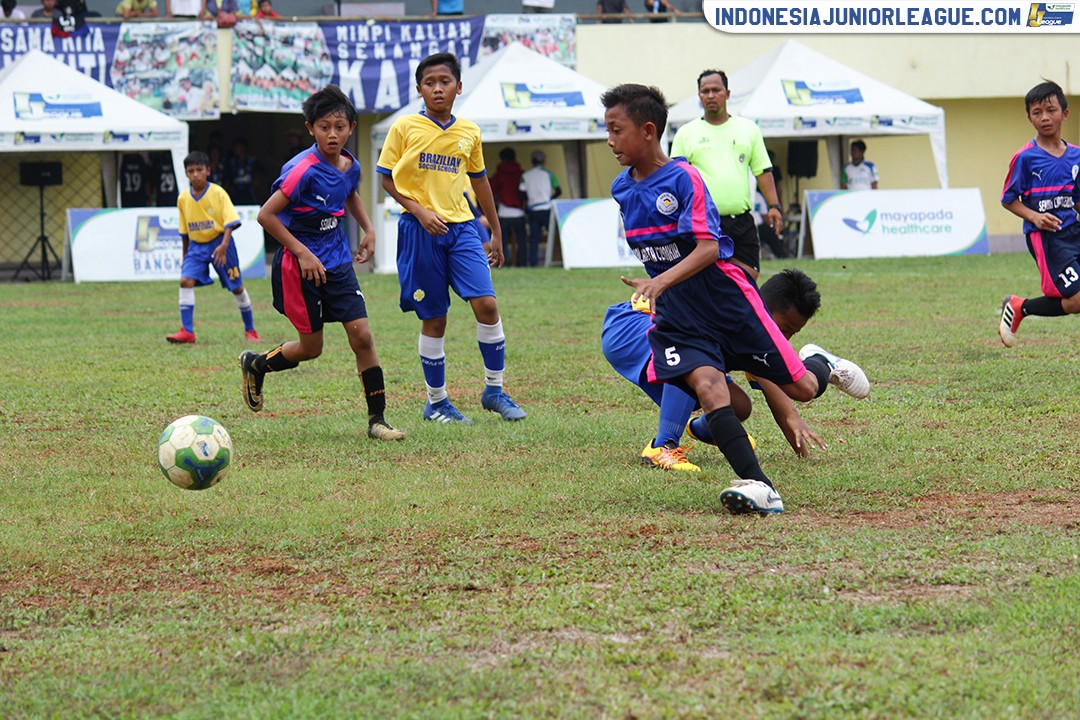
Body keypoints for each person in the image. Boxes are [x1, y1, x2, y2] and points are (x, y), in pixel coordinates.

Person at [600, 83, 866, 514]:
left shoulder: (684, 178)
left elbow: (708, 248)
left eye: (617, 129)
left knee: (800, 387)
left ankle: (822, 362)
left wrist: (660, 281)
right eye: (607, 130)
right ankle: (761, 488)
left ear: (648, 131)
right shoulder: (622, 188)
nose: (610, 140)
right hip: (678, 314)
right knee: (709, 389)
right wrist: (662, 286)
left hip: (726, 302)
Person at [243, 85, 405, 442]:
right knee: (311, 349)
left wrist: (368, 228)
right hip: (299, 267)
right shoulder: (301, 170)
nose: (332, 134)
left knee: (362, 336)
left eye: (340, 127)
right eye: (324, 127)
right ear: (310, 129)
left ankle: (377, 421)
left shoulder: (350, 164)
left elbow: (349, 193)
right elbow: (266, 216)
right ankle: (256, 363)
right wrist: (302, 252)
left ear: (351, 127)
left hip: (338, 262)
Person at [377, 52, 526, 424]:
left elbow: (480, 181)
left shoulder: (469, 132)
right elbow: (386, 178)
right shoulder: (404, 127)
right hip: (419, 230)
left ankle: (494, 390)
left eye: (445, 82)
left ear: (459, 87)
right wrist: (420, 211)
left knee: (487, 306)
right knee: (435, 317)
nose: (438, 88)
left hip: (462, 229)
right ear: (419, 90)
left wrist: (494, 228)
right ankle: (437, 402)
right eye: (430, 83)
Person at [603, 268, 868, 473]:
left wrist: (800, 443)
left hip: (650, 336)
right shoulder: (737, 314)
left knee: (739, 406)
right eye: (784, 329)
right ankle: (662, 446)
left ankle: (706, 430)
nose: (784, 339)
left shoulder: (757, 330)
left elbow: (771, 387)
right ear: (764, 308)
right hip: (629, 326)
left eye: (792, 333)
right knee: (687, 359)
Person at [670, 69, 782, 281]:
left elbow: (762, 170)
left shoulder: (749, 129)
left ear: (727, 94)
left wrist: (774, 206)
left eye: (716, 90)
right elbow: (675, 178)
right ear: (699, 96)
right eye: (705, 91)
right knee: (707, 280)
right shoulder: (686, 133)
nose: (710, 95)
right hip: (704, 223)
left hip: (741, 220)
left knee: (749, 275)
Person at [998, 80, 1080, 348]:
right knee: (1077, 300)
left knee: (1075, 301)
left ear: (1064, 113)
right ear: (1030, 118)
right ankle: (1020, 307)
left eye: (1051, 110)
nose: (1044, 117)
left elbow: (1076, 199)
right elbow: (1008, 199)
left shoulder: (1076, 156)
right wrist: (1034, 217)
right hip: (1048, 238)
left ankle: (1019, 306)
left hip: (1074, 232)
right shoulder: (1025, 157)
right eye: (1037, 112)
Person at [166, 151, 261, 346]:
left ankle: (250, 329)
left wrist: (224, 246)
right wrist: (185, 257)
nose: (195, 174)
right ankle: (187, 331)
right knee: (185, 281)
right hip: (196, 246)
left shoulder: (218, 193)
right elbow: (184, 232)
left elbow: (230, 222)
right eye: (191, 171)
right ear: (186, 173)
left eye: (199, 170)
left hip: (220, 243)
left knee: (237, 287)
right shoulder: (183, 199)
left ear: (208, 171)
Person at [519, 149, 562, 267]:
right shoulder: (549, 174)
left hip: (533, 210)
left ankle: (533, 263)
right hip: (546, 208)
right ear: (544, 162)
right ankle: (557, 260)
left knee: (534, 239)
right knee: (553, 237)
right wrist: (549, 198)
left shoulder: (525, 176)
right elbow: (558, 190)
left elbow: (521, 194)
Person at [489, 147, 526, 267]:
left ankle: (502, 263)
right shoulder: (521, 174)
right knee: (522, 241)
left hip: (504, 212)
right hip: (519, 212)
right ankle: (523, 263)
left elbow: (491, 190)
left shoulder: (499, 175)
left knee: (502, 241)